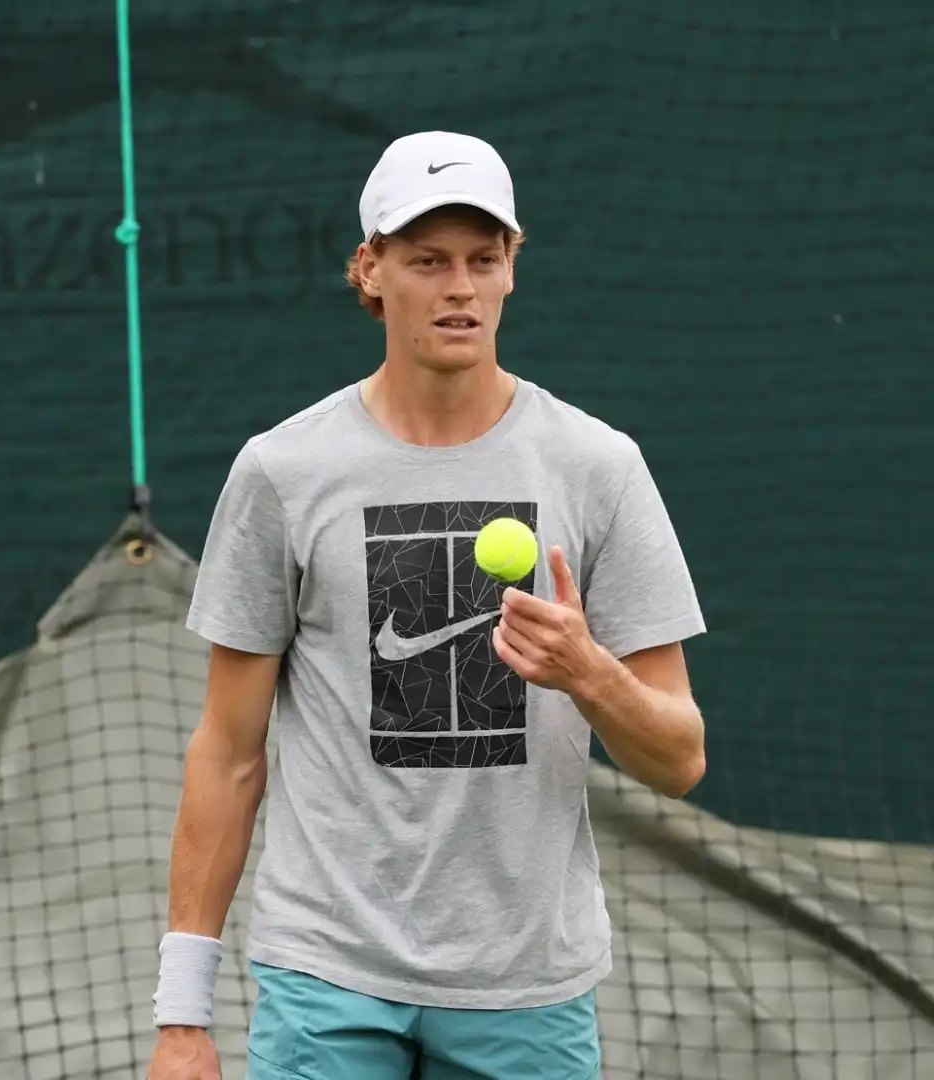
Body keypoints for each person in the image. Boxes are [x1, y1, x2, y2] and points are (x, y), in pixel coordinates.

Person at [146, 131, 709, 1080]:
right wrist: (181, 1014)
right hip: (326, 971)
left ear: (511, 271)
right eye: (428, 261)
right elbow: (228, 754)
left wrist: (589, 674)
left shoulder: (598, 467)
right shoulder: (282, 471)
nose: (461, 288)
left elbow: (680, 758)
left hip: (527, 985)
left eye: (484, 260)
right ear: (371, 270)